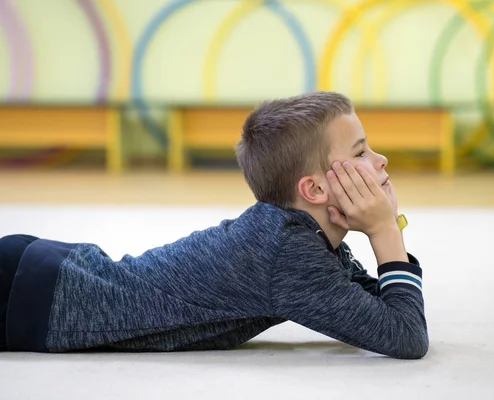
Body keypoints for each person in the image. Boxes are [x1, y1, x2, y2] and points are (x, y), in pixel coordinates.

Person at [0, 91, 428, 358]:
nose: (380, 160)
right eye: (360, 153)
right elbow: (406, 335)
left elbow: (377, 307)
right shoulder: (287, 253)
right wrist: (385, 231)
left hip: (42, 275)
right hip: (30, 295)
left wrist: (385, 228)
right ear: (314, 190)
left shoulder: (297, 238)